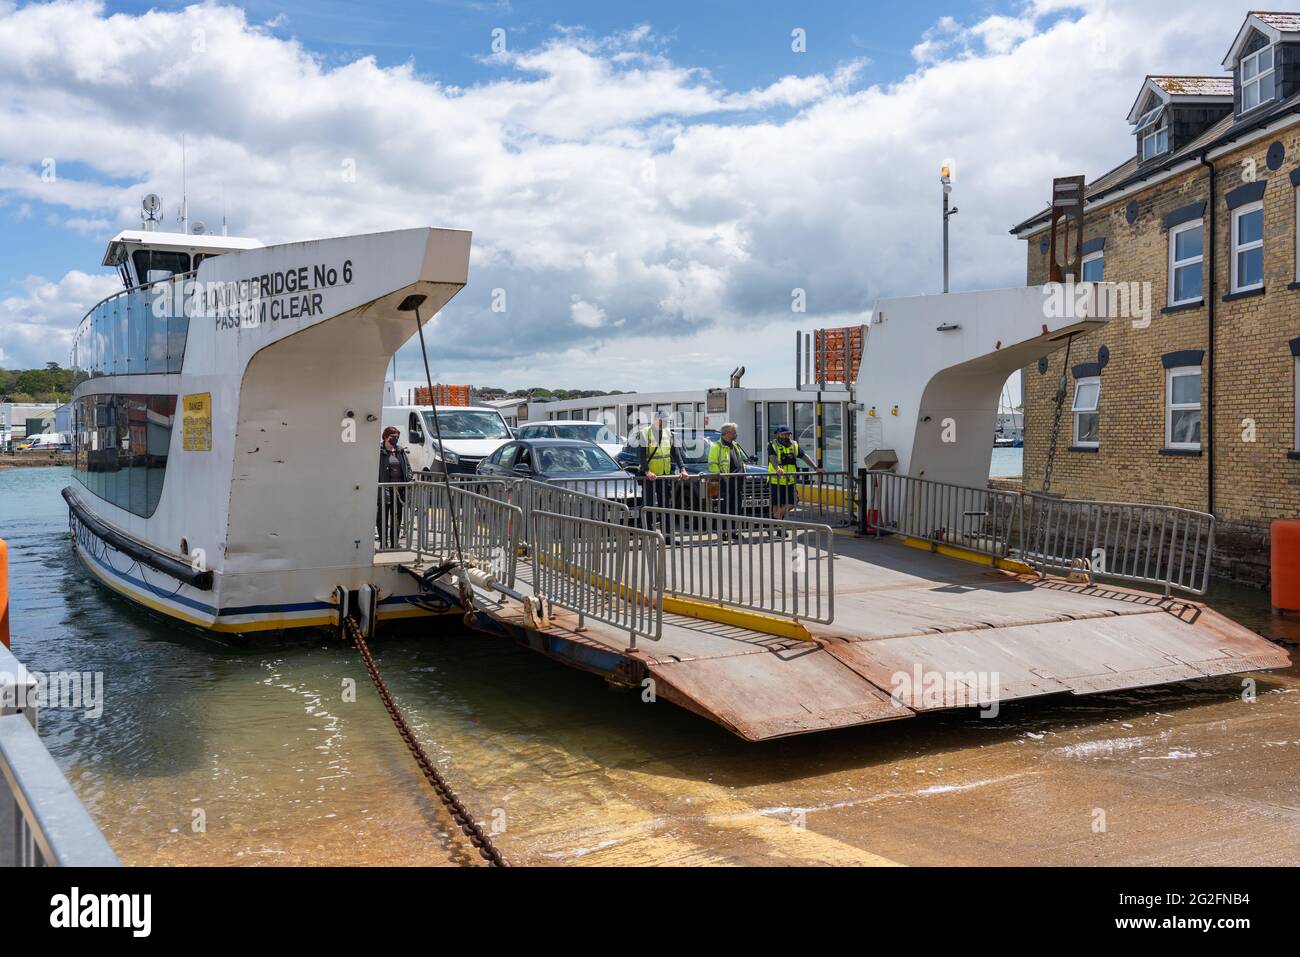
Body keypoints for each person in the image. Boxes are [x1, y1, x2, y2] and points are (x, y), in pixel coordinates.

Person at [635, 410, 688, 543]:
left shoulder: (669, 433)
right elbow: (641, 455)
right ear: (656, 420)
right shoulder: (644, 433)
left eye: (666, 420)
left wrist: (682, 468)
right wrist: (647, 471)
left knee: (666, 507)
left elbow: (675, 453)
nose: (665, 422)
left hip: (664, 476)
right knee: (649, 507)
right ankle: (647, 537)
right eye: (663, 420)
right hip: (649, 477)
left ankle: (668, 537)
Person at [767, 424, 821, 521]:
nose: (785, 437)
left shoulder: (794, 445)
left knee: (792, 503)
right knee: (776, 505)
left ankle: (774, 518)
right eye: (783, 435)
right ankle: (778, 527)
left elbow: (804, 456)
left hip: (789, 481)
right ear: (778, 435)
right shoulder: (772, 445)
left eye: (788, 435)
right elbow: (772, 458)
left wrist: (815, 467)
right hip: (776, 481)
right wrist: (777, 468)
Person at [377, 425, 412, 547]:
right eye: (393, 437)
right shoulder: (379, 451)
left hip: (399, 490)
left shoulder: (400, 451)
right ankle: (383, 543)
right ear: (386, 437)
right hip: (384, 489)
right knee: (383, 517)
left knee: (397, 517)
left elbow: (407, 467)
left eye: (397, 437)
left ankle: (394, 543)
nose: (396, 439)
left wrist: (409, 479)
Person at [707, 422, 748, 523]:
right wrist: (721, 477)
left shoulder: (734, 444)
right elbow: (712, 464)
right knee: (726, 507)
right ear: (727, 433)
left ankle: (734, 530)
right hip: (725, 482)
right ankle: (725, 531)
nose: (736, 434)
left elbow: (742, 459)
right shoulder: (716, 446)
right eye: (734, 432)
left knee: (737, 507)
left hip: (737, 481)